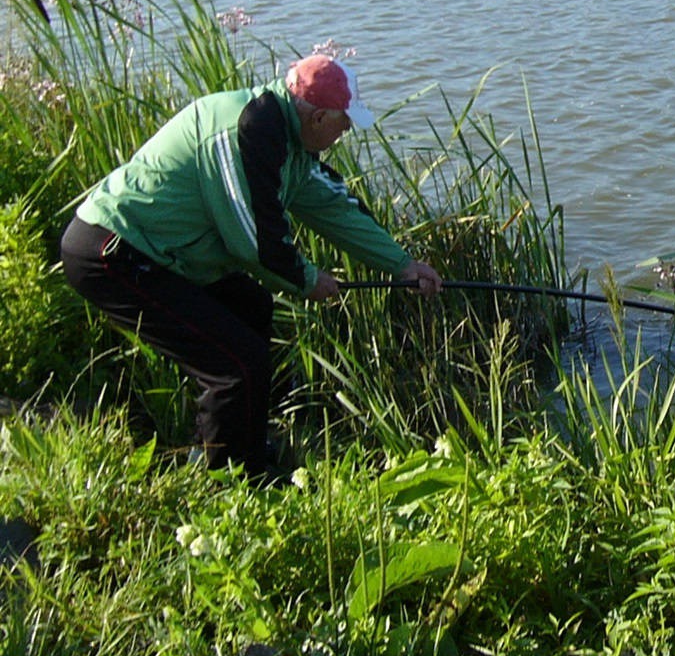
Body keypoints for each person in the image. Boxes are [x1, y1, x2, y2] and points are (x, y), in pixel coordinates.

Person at [60, 54, 443, 480]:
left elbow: (335, 207)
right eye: (344, 124)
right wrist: (308, 280)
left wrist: (402, 265)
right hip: (112, 251)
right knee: (236, 364)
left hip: (159, 254)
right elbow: (254, 243)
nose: (345, 133)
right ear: (318, 117)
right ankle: (233, 489)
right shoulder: (246, 131)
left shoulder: (288, 140)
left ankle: (229, 452)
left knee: (252, 309)